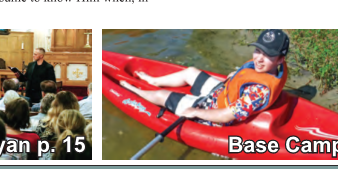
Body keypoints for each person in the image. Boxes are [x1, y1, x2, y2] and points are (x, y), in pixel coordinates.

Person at [120, 31, 290, 127]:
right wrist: (236, 75)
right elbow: (249, 74)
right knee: (190, 71)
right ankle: (154, 80)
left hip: (216, 112)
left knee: (161, 96)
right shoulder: (273, 67)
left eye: (268, 55)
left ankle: (133, 90)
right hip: (222, 93)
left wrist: (196, 112)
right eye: (258, 51)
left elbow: (226, 115)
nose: (259, 58)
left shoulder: (258, 92)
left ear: (280, 59)